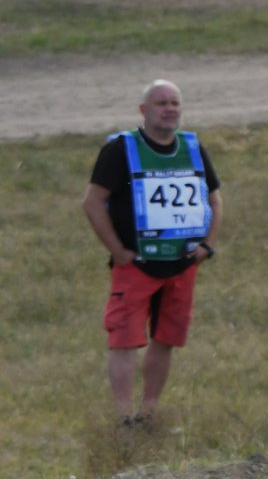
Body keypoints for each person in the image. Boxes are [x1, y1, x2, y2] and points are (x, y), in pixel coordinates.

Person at [82, 79, 223, 424]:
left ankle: (148, 412)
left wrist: (206, 244)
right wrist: (118, 250)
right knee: (124, 340)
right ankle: (122, 416)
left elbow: (214, 199)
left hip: (182, 264)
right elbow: (92, 202)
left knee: (167, 338)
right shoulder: (121, 149)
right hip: (136, 264)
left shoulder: (192, 147)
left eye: (174, 102)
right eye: (161, 103)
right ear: (143, 110)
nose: (169, 108)